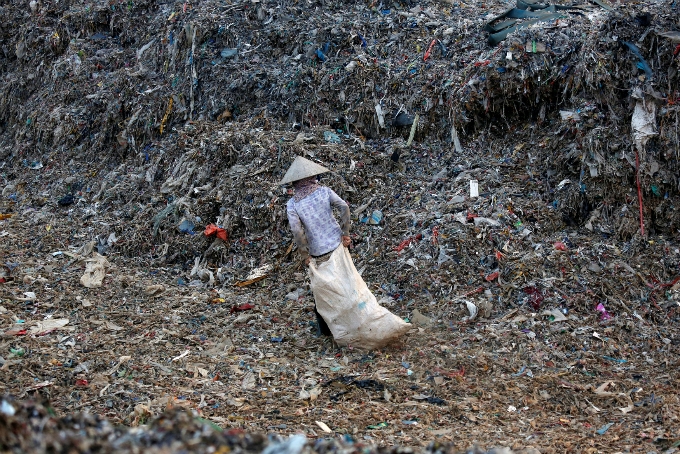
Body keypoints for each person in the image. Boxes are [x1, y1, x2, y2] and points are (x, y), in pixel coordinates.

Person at [281, 156, 350, 336]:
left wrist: (305, 255)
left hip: (318, 253)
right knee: (346, 282)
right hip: (337, 245)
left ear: (295, 182)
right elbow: (344, 207)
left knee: (323, 291)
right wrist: (345, 233)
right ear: (312, 176)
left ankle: (327, 331)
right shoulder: (324, 192)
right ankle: (352, 322)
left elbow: (297, 232)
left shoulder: (293, 204)